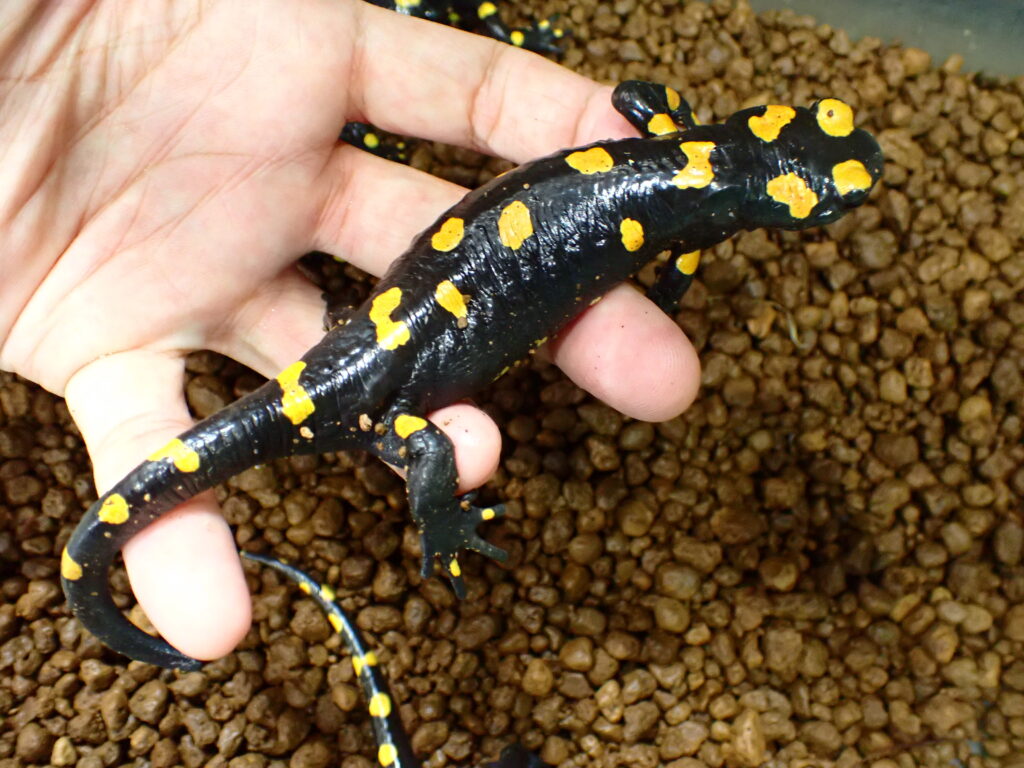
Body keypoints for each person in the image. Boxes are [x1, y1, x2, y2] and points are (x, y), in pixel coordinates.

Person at [0, 0, 699, 661]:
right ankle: (438, 524)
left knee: (425, 422)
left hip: (382, 349)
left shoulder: (679, 147)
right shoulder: (697, 214)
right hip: (381, 388)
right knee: (430, 448)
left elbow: (639, 98)